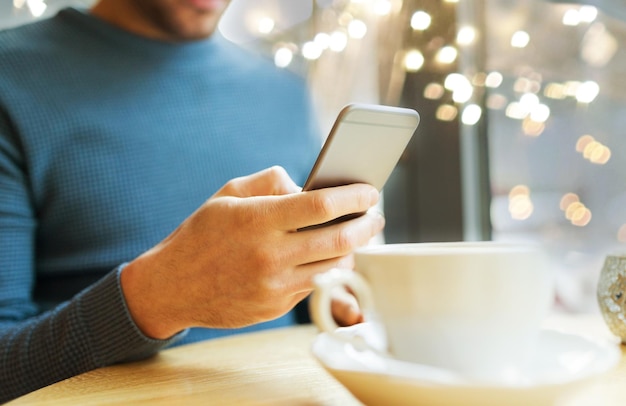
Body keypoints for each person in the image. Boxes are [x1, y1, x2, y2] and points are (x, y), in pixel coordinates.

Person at [0, 0, 384, 402]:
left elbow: (300, 296)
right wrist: (157, 298)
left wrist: (328, 289)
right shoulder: (11, 78)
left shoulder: (284, 94)